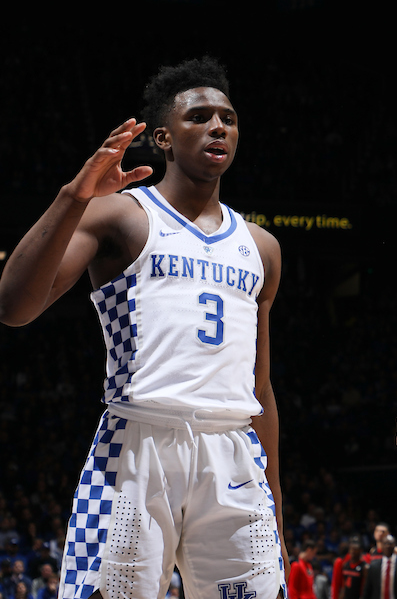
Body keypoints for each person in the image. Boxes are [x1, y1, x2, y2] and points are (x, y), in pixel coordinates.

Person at [0, 58, 286, 599]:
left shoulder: (261, 246)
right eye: (199, 117)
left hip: (233, 450)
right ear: (163, 138)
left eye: (228, 117)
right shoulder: (120, 215)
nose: (218, 126)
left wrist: (275, 501)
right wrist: (73, 197)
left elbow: (261, 389)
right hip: (138, 442)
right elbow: (14, 307)